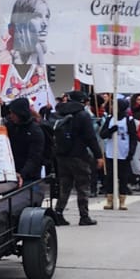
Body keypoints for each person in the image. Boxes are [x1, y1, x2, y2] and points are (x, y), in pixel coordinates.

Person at [50, 89, 103, 225]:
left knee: (64, 186)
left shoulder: (58, 113)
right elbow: (90, 138)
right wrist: (98, 156)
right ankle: (84, 216)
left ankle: (59, 213)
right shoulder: (82, 115)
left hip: (61, 155)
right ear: (82, 102)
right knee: (82, 186)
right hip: (78, 155)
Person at [99, 98, 137, 211]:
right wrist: (111, 130)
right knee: (110, 177)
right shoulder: (110, 119)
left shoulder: (129, 120)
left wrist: (131, 152)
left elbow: (133, 137)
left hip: (123, 153)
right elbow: (102, 134)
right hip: (111, 153)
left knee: (123, 178)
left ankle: (122, 201)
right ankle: (109, 200)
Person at [3, 97, 46, 185]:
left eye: (13, 113)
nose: (11, 116)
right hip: (12, 173)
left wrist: (22, 173)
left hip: (29, 178)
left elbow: (35, 157)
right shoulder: (10, 126)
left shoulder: (35, 131)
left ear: (20, 113)